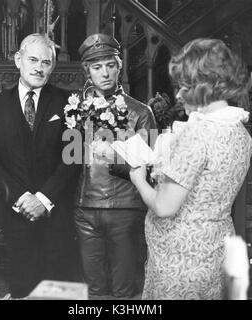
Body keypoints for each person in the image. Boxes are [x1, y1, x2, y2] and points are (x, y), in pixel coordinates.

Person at [129, 38, 252, 300]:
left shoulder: (197, 134)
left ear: (204, 86)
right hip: (215, 249)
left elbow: (164, 207)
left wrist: (138, 178)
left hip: (180, 260)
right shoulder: (241, 131)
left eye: (184, 87)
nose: (178, 95)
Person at [0, 33, 79, 299]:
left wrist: (44, 200)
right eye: (33, 59)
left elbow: (74, 157)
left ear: (52, 66)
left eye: (46, 62)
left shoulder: (70, 103)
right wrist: (22, 198)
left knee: (58, 291)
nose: (39, 67)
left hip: (56, 214)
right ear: (18, 60)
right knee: (22, 288)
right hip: (16, 214)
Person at [74, 33, 157, 298]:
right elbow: (71, 161)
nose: (105, 73)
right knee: (94, 289)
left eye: (110, 65)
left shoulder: (141, 112)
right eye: (97, 67)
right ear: (88, 71)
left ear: (119, 67)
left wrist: (113, 155)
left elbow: (150, 167)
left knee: (124, 290)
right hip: (84, 208)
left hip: (124, 209)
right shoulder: (76, 110)